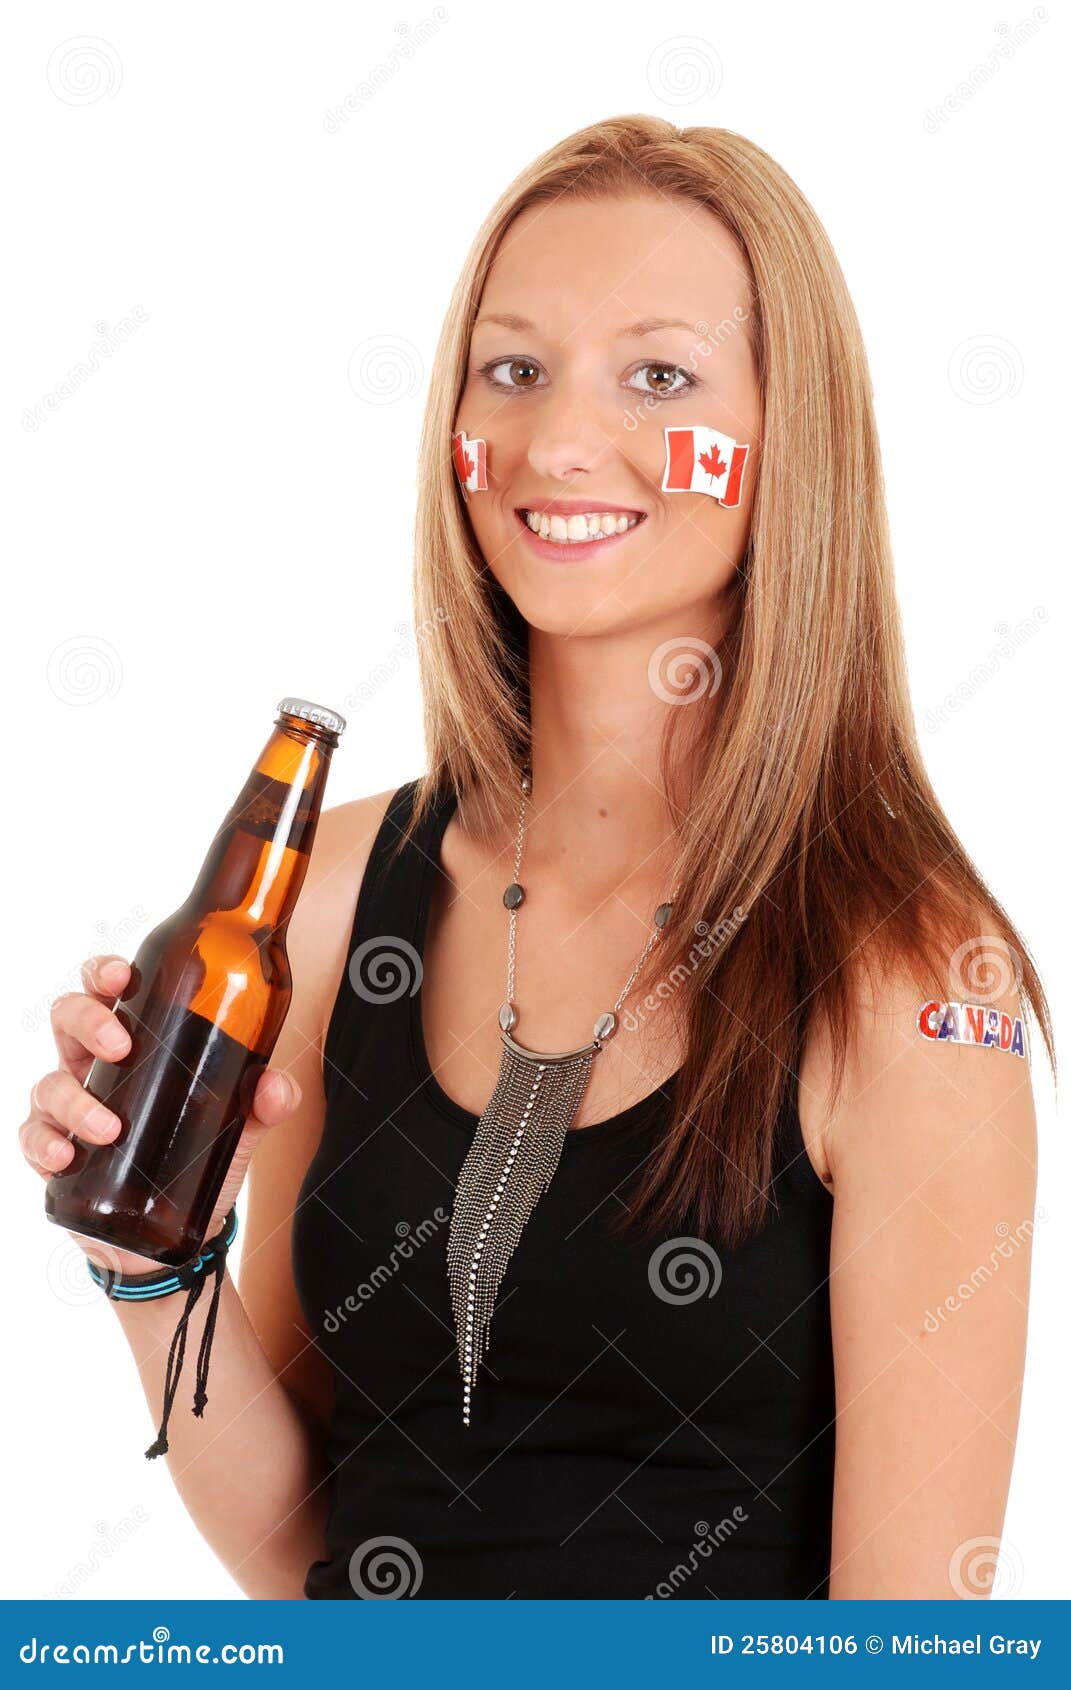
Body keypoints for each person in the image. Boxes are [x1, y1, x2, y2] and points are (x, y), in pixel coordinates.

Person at [22, 115, 1052, 1600]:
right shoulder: (330, 895)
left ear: (786, 436)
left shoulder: (904, 974)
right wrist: (149, 1257)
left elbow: (907, 1643)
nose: (559, 443)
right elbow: (315, 1546)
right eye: (513, 369)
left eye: (658, 375)